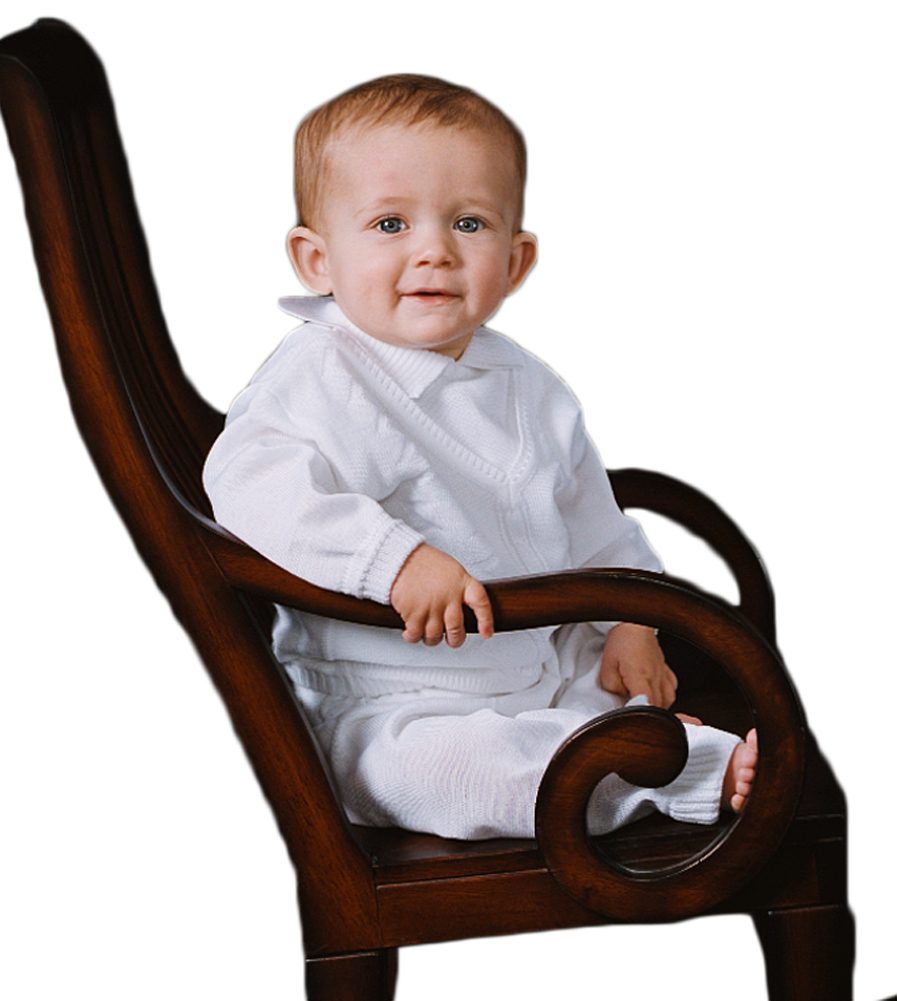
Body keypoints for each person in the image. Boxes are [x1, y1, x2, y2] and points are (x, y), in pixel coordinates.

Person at [203, 74, 757, 840]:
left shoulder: (530, 385)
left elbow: (593, 520)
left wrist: (632, 618)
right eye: (390, 223)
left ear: (516, 260)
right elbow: (250, 487)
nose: (433, 251)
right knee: (458, 771)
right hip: (394, 699)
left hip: (545, 661)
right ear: (316, 259)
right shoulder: (319, 376)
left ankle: (644, 744)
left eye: (468, 222)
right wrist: (392, 560)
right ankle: (658, 766)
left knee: (612, 683)